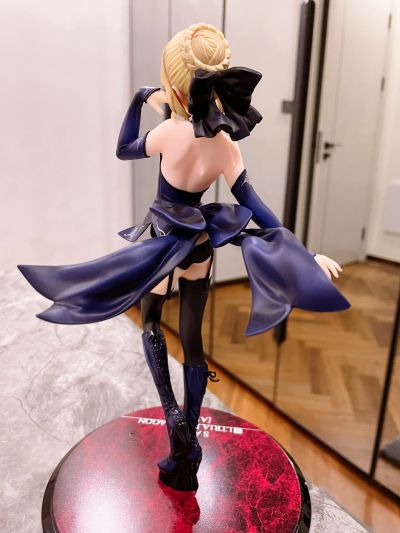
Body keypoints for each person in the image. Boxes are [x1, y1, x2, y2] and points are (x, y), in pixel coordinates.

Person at [18, 23, 350, 492]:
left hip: (162, 240)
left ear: (175, 88)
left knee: (152, 321)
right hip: (200, 245)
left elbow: (123, 149)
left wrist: (138, 100)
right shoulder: (226, 145)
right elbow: (257, 207)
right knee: (193, 341)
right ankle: (189, 439)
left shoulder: (168, 133)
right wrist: (304, 252)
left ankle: (171, 411)